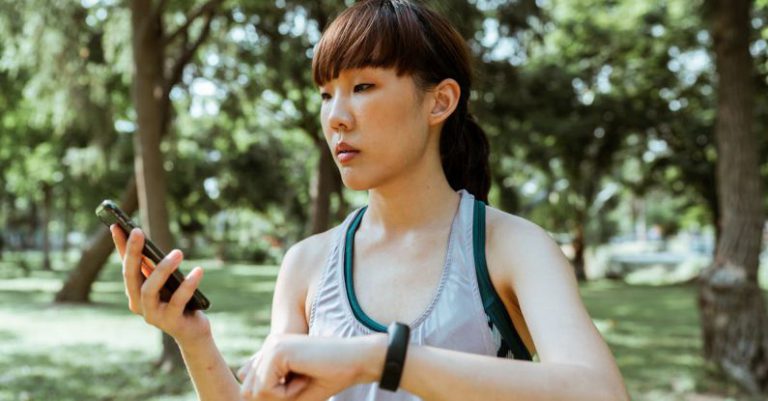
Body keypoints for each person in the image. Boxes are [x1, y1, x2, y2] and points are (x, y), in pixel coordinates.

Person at [110, 1, 630, 400]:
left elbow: (600, 392)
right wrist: (193, 338)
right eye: (325, 94)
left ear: (440, 101)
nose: (336, 117)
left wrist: (383, 359)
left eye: (362, 86)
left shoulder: (511, 247)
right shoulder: (307, 265)